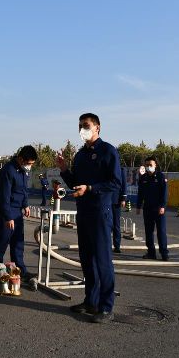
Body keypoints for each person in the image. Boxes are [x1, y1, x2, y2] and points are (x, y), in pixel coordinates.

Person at [57, 113, 121, 323]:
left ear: (97, 128)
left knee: (103, 261)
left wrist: (91, 188)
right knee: (87, 260)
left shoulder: (108, 151)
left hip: (100, 212)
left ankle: (106, 306)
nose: (82, 130)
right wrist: (65, 170)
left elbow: (115, 183)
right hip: (83, 211)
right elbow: (76, 183)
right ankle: (90, 301)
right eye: (79, 126)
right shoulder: (80, 155)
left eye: (86, 126)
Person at [0, 145, 38, 282]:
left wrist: (26, 205)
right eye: (29, 163)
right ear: (21, 158)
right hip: (7, 213)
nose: (29, 166)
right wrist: (8, 217)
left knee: (18, 244)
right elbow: (4, 196)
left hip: (17, 213)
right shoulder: (8, 170)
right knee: (1, 244)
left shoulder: (22, 171)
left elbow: (23, 190)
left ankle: (20, 271)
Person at [136, 156, 169, 261]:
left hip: (158, 209)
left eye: (150, 165)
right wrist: (138, 206)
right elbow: (140, 193)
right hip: (147, 209)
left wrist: (163, 206)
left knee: (161, 231)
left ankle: (164, 253)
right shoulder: (143, 178)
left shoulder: (160, 177)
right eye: (147, 165)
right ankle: (151, 252)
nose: (148, 167)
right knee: (148, 232)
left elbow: (164, 193)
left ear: (155, 165)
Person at [112, 167, 127, 253]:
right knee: (104, 224)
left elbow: (124, 184)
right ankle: (104, 245)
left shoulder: (121, 170)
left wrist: (123, 198)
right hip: (105, 199)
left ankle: (117, 245)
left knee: (116, 225)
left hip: (116, 200)